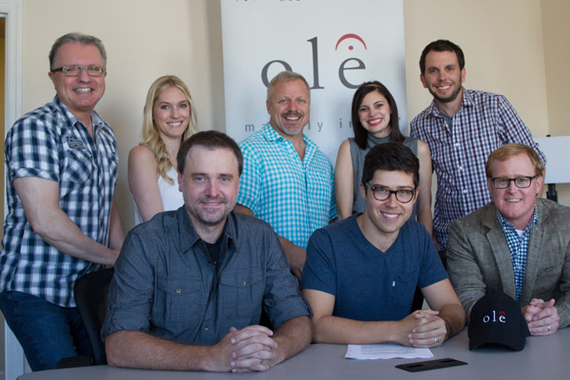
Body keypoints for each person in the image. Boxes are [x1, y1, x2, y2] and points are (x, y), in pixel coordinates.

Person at [103, 131, 311, 372]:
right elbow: (118, 346)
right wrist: (209, 358)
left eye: (224, 179)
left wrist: (275, 352)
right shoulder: (145, 242)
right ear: (180, 181)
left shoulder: (261, 238)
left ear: (238, 183)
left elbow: (298, 319)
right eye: (200, 179)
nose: (213, 192)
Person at [0, 32, 124, 371]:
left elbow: (106, 199)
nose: (84, 78)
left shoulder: (105, 132)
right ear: (53, 76)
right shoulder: (34, 128)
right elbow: (44, 220)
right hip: (36, 290)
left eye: (93, 69)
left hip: (86, 289)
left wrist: (125, 255)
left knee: (102, 371)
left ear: (103, 76)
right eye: (71, 69)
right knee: (63, 375)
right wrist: (114, 257)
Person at [302, 143, 465, 347]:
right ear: (364, 191)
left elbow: (452, 307)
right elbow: (316, 325)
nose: (392, 203)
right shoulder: (326, 241)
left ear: (416, 195)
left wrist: (444, 326)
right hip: (338, 364)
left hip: (403, 364)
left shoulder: (418, 237)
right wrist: (396, 331)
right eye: (381, 190)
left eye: (404, 192)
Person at [410, 39, 545, 255]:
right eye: (433, 71)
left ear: (462, 74)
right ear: (423, 80)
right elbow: (421, 188)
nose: (442, 77)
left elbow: (535, 163)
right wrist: (429, 236)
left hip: (503, 231)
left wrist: (523, 221)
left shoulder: (495, 106)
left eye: (449, 68)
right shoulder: (420, 125)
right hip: (452, 237)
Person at [447, 143, 569, 336]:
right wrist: (513, 317)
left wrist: (557, 315)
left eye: (522, 179)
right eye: (502, 180)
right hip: (493, 341)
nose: (512, 190)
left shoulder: (566, 223)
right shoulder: (464, 231)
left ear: (538, 183)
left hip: (553, 340)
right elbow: (467, 299)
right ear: (489, 185)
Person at [235, 71, 336, 278]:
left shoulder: (321, 160)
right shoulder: (249, 152)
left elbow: (333, 219)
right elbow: (238, 214)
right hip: (270, 276)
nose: (293, 108)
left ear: (308, 106)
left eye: (301, 100)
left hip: (320, 277)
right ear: (268, 106)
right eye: (283, 100)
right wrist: (287, 252)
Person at [335, 81, 433, 236]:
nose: (372, 113)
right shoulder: (349, 149)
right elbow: (344, 214)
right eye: (364, 109)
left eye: (378, 105)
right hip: (362, 238)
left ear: (391, 108)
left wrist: (424, 248)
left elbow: (424, 209)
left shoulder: (418, 148)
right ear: (357, 115)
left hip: (407, 239)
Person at [129, 75, 198, 224]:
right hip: (163, 247)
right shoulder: (142, 156)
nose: (175, 114)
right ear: (152, 113)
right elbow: (157, 226)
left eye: (182, 105)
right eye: (165, 107)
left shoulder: (196, 157)